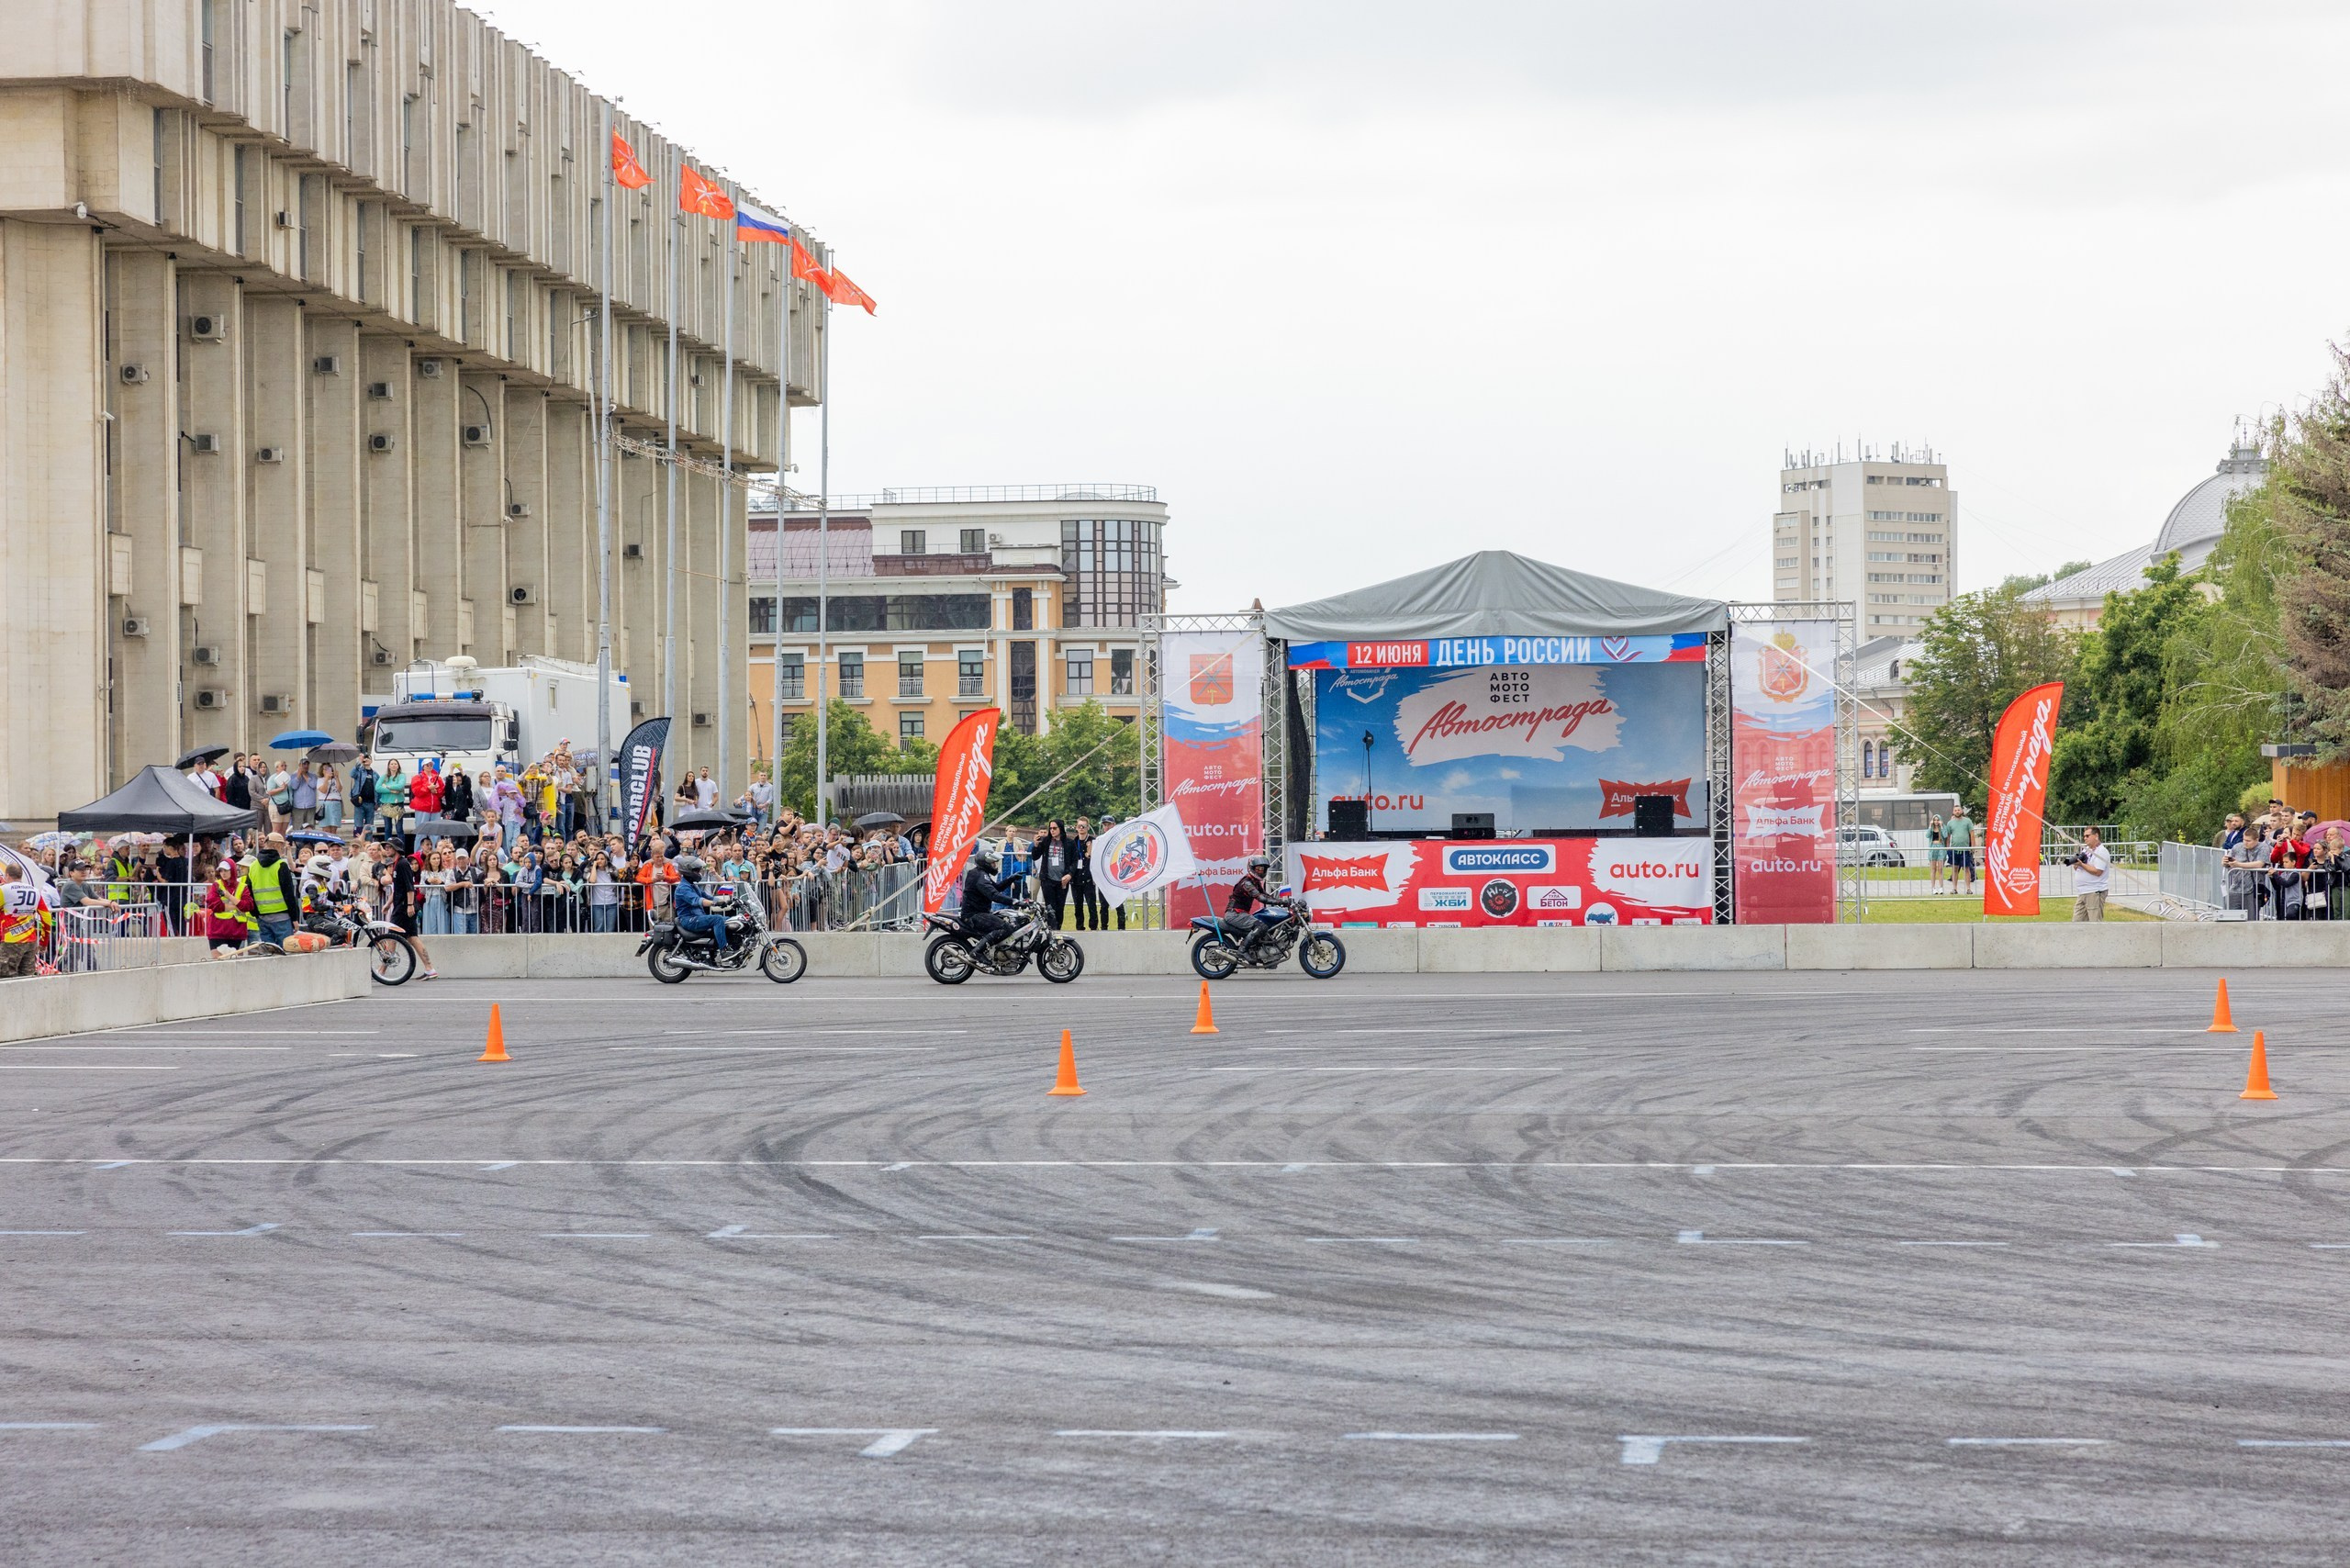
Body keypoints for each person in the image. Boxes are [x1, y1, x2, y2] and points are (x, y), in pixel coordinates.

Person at [957, 842, 1019, 958]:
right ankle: (977, 952)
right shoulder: (980, 876)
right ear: (986, 863)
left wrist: (1011, 878)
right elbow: (994, 895)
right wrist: (1014, 901)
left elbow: (996, 888)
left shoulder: (980, 873)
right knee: (1006, 927)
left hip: (977, 912)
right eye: (993, 863)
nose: (995, 865)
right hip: (974, 915)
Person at [1225, 853, 1285, 957]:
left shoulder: (1255, 882)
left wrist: (1283, 902)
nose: (1260, 871)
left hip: (1241, 914)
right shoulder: (1247, 883)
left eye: (1263, 869)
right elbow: (1261, 898)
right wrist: (1280, 902)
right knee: (1261, 926)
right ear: (1252, 868)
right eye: (1258, 869)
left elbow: (1266, 895)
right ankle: (1242, 950)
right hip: (1234, 914)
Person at [0, 861, 55, 977]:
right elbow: (46, 917)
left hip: (10, 940)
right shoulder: (35, 891)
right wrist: (44, 942)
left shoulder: (3, 890)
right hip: (30, 941)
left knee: (6, 979)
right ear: (21, 876)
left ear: (7, 875)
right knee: (27, 979)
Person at [245, 835, 302, 946]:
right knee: (286, 952)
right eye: (282, 846)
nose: (283, 849)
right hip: (282, 917)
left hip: (262, 917)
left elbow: (249, 893)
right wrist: (294, 918)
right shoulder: (281, 865)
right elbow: (288, 894)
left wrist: (256, 913)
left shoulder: (253, 867)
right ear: (277, 845)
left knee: (269, 955)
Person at [670, 853, 730, 958]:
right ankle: (724, 951)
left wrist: (728, 901)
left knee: (729, 920)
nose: (699, 873)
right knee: (717, 919)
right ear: (688, 871)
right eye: (696, 871)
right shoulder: (683, 888)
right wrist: (715, 903)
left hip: (698, 917)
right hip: (689, 920)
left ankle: (726, 947)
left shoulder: (692, 885)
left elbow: (707, 896)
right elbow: (698, 900)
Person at [196, 856, 252, 953]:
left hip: (236, 932)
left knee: (234, 962)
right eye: (221, 871)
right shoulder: (217, 885)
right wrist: (236, 905)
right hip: (218, 930)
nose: (223, 873)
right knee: (217, 960)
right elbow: (214, 904)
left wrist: (229, 897)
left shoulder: (243, 887)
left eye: (226, 870)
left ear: (233, 870)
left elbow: (248, 906)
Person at [2068, 827, 2111, 922]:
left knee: (2094, 922)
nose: (2085, 838)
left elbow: (2098, 872)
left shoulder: (2101, 851)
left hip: (2095, 891)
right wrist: (2076, 864)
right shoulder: (2086, 850)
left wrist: (2082, 864)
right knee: (2076, 922)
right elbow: (2078, 867)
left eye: (2087, 836)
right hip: (2082, 891)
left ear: (2096, 836)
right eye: (2084, 836)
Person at [1945, 804, 1978, 897]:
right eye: (1955, 810)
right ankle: (1954, 889)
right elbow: (1948, 836)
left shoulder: (1967, 821)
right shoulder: (1950, 823)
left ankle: (1968, 889)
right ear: (1953, 812)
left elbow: (1972, 834)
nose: (1957, 812)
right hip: (1954, 849)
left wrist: (1973, 847)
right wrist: (1947, 847)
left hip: (1966, 849)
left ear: (1962, 811)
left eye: (1959, 810)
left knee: (1966, 869)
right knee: (1955, 869)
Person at [1925, 812, 1948, 895]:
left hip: (1940, 848)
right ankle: (1933, 887)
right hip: (1933, 848)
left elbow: (1945, 835)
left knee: (1940, 868)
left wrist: (1941, 826)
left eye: (1938, 820)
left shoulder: (1943, 828)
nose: (1936, 821)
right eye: (1935, 820)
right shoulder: (1931, 828)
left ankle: (1941, 887)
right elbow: (1927, 835)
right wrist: (1929, 826)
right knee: (1933, 869)